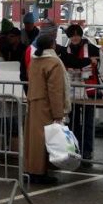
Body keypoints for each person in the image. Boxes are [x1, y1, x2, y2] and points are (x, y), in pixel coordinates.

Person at [23, 33, 69, 185]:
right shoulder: (54, 62)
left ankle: (29, 169)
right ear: (53, 45)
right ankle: (39, 172)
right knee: (43, 140)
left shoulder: (35, 60)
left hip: (34, 101)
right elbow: (55, 90)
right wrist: (58, 113)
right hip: (46, 104)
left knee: (33, 139)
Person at [62, 24, 102, 162]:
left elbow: (102, 56)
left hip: (88, 91)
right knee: (72, 122)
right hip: (72, 91)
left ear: (80, 35)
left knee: (88, 122)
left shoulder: (90, 47)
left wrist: (99, 58)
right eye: (71, 35)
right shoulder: (66, 50)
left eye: (76, 34)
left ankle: (87, 151)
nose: (74, 38)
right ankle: (75, 148)